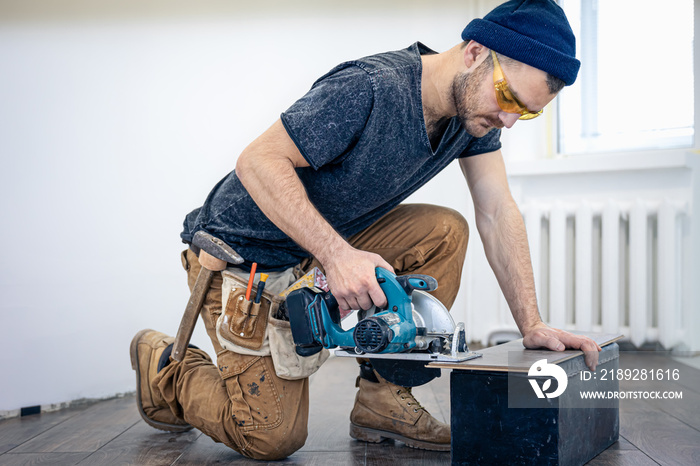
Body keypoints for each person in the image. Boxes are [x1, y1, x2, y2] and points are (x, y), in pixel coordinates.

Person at [130, 0, 603, 460]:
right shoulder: (370, 87)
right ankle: (163, 367)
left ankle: (384, 398)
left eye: (527, 112)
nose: (508, 120)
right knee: (271, 438)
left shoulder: (474, 116)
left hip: (313, 247)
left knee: (443, 231)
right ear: (476, 52)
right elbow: (258, 161)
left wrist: (532, 325)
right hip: (241, 255)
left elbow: (497, 210)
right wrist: (336, 256)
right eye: (507, 98)